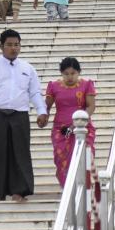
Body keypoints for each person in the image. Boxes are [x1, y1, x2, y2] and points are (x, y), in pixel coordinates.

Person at [0, 29, 47, 203]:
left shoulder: (28, 68)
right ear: (1, 46)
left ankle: (19, 191)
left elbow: (35, 92)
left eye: (16, 45)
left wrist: (42, 111)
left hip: (20, 114)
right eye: (9, 45)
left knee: (20, 153)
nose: (13, 48)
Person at [44, 57, 96, 187]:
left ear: (79, 72)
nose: (70, 77)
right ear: (61, 73)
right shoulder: (53, 86)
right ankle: (67, 186)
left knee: (84, 154)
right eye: (66, 74)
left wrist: (80, 120)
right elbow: (47, 107)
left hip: (82, 127)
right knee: (61, 157)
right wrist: (43, 117)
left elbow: (91, 106)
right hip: (62, 130)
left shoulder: (86, 85)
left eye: (73, 73)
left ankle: (83, 185)